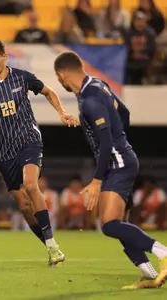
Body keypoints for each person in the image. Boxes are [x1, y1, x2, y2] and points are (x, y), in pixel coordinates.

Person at [53, 50, 167, 289]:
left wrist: (96, 180)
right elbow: (123, 112)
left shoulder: (89, 100)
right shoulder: (98, 84)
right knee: (117, 224)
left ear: (62, 75)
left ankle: (162, 252)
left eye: (58, 78)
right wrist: (120, 137)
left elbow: (105, 142)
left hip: (119, 164)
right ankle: (148, 275)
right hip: (121, 159)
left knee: (109, 224)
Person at [0, 39, 77, 266]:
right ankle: (48, 247)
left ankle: (53, 246)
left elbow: (49, 92)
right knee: (25, 207)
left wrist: (62, 112)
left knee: (31, 185)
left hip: (29, 140)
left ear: (4, 56)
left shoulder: (21, 77)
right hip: (4, 151)